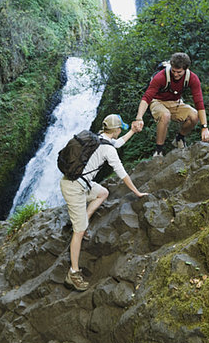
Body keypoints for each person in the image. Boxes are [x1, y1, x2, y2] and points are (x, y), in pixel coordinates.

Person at [60, 113, 149, 292]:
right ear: (115, 130)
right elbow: (122, 174)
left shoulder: (98, 138)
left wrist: (132, 131)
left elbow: (119, 143)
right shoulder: (108, 150)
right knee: (78, 232)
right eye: (120, 129)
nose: (119, 132)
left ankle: (83, 219)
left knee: (103, 192)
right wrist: (137, 192)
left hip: (75, 182)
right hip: (74, 188)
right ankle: (73, 273)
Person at [132, 52, 209, 157]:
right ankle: (158, 151)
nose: (176, 74)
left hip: (175, 102)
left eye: (179, 72)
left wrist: (204, 127)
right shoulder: (161, 76)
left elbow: (199, 102)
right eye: (173, 71)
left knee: (195, 116)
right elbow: (146, 97)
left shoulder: (192, 78)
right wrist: (139, 117)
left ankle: (179, 138)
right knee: (165, 115)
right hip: (157, 101)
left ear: (186, 69)